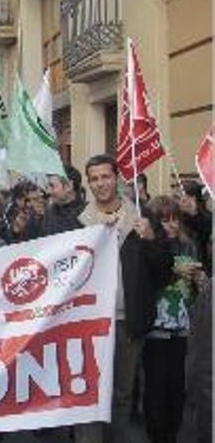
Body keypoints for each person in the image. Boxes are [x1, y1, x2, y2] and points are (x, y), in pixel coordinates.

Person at [74, 154, 174, 443]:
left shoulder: (141, 218)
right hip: (88, 323)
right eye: (94, 178)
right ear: (89, 183)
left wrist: (152, 240)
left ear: (116, 178)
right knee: (89, 390)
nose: (100, 183)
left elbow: (164, 272)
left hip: (127, 321)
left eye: (106, 176)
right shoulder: (78, 222)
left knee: (122, 394)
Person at [143, 195, 206, 443]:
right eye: (165, 220)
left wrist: (200, 281)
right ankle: (157, 435)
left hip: (182, 326)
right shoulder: (148, 246)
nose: (173, 225)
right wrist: (171, 269)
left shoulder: (188, 245)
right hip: (155, 329)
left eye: (175, 219)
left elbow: (195, 285)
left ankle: (172, 432)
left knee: (176, 387)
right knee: (156, 387)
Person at [40, 164, 85, 236]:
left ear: (69, 186)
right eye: (47, 186)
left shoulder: (88, 213)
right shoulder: (49, 212)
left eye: (52, 186)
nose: (48, 191)